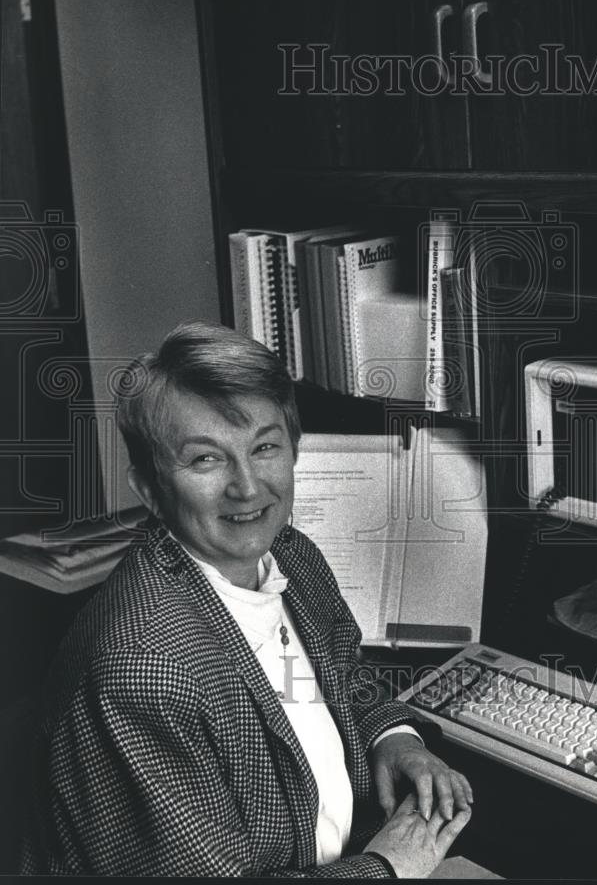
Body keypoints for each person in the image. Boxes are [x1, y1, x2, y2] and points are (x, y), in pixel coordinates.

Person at [20, 322, 472, 877]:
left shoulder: (290, 555)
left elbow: (343, 672)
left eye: (264, 447)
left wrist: (394, 738)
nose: (248, 487)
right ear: (149, 488)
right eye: (206, 459)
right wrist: (386, 868)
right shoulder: (143, 671)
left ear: (293, 449)